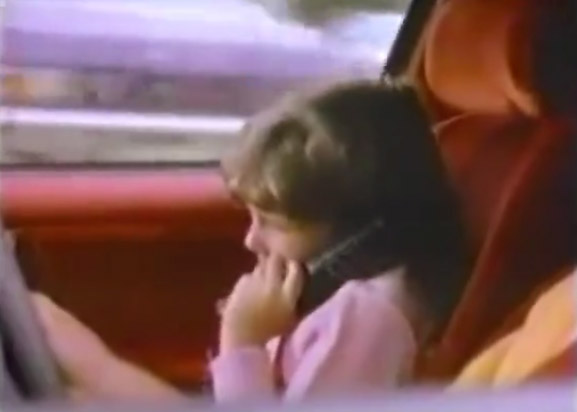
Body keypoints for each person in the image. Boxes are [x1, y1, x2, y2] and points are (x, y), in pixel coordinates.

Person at [33, 79, 470, 403]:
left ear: (360, 234)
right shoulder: (332, 308)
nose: (250, 240)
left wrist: (243, 345)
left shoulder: (364, 321)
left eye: (275, 224)